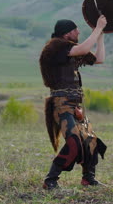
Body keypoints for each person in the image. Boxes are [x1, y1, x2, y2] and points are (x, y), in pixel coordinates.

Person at [39, 16, 108, 190]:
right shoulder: (55, 46)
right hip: (61, 104)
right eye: (75, 29)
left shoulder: (71, 49)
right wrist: (97, 28)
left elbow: (99, 59)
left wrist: (100, 35)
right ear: (67, 33)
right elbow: (84, 47)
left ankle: (88, 178)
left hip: (76, 105)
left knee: (90, 140)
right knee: (74, 141)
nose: (78, 32)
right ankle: (50, 180)